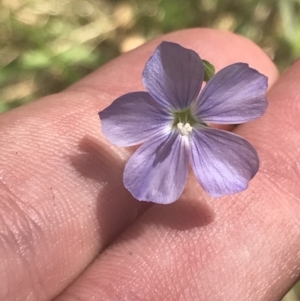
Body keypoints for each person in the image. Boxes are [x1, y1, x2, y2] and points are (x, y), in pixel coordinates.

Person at [0, 28, 298, 301]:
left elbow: (223, 154)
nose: (184, 124)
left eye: (187, 120)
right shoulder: (170, 92)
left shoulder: (202, 108)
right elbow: (119, 120)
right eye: (182, 119)